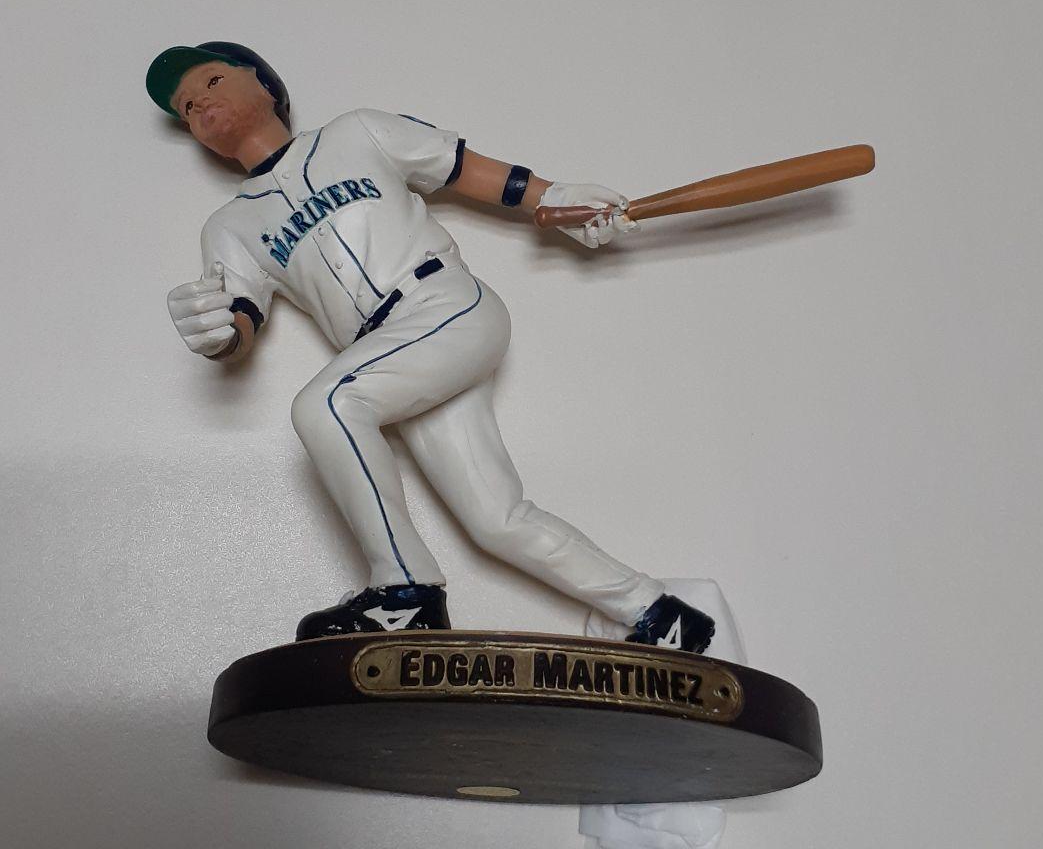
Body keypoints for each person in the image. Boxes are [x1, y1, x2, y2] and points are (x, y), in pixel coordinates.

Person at [148, 41, 714, 652]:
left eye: (210, 81)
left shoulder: (354, 131)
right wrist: (217, 335)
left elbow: (460, 168)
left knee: (328, 406)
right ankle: (660, 614)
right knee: (495, 520)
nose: (200, 104)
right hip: (393, 356)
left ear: (262, 82)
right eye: (186, 108)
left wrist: (553, 198)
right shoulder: (229, 227)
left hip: (443, 303)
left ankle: (404, 590)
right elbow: (239, 322)